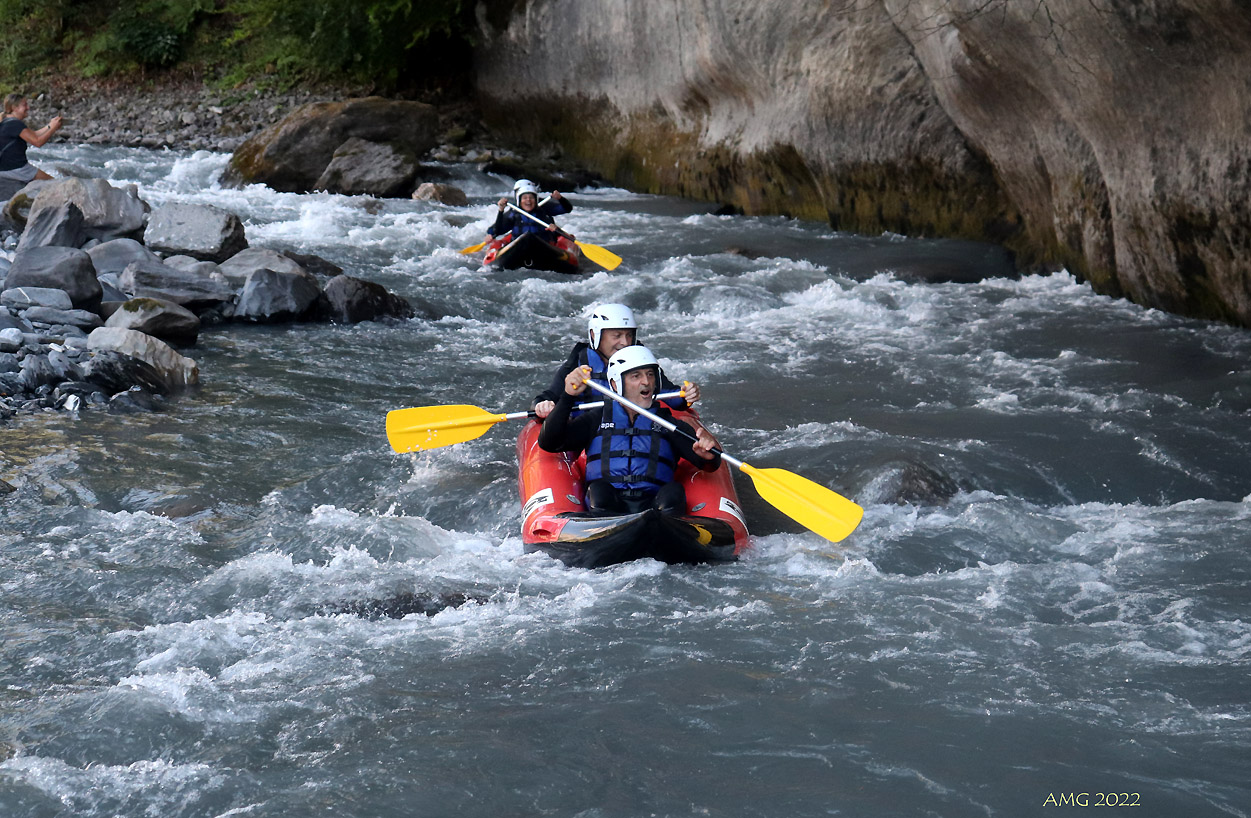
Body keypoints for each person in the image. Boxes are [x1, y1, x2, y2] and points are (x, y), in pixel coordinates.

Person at [538, 345, 722, 515]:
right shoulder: (596, 418)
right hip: (606, 510)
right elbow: (550, 442)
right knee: (599, 491)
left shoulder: (666, 422)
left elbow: (707, 463)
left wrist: (708, 456)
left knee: (673, 493)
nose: (646, 382)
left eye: (650, 375)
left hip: (655, 509)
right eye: (636, 376)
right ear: (616, 383)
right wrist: (568, 396)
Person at [532, 303, 701, 418]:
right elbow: (548, 397)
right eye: (617, 336)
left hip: (630, 433)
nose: (625, 342)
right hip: (587, 433)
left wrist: (686, 395)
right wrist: (542, 406)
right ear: (594, 335)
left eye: (629, 335)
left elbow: (669, 394)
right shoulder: (579, 361)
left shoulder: (640, 357)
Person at [484, 179, 572, 246]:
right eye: (524, 197)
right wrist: (500, 212)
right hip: (520, 246)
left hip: (543, 245)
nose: (528, 200)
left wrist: (561, 199)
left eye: (531, 197)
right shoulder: (514, 212)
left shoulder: (543, 208)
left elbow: (567, 209)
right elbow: (498, 229)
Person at [0, 94, 62, 185]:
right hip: (17, 168)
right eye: (24, 105)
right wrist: (53, 129)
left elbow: (34, 134)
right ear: (15, 108)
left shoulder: (7, 121)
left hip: (6, 167)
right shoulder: (15, 124)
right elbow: (38, 142)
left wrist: (50, 126)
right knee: (57, 184)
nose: (28, 107)